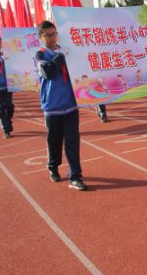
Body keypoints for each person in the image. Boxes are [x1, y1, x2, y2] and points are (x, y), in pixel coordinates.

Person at [35, 21, 87, 191]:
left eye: (53, 33)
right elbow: (47, 72)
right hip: (52, 107)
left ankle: (75, 176)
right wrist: (58, 58)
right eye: (47, 35)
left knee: (73, 142)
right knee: (54, 141)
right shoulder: (40, 54)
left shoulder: (68, 51)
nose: (51, 37)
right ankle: (53, 166)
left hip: (71, 105)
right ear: (41, 37)